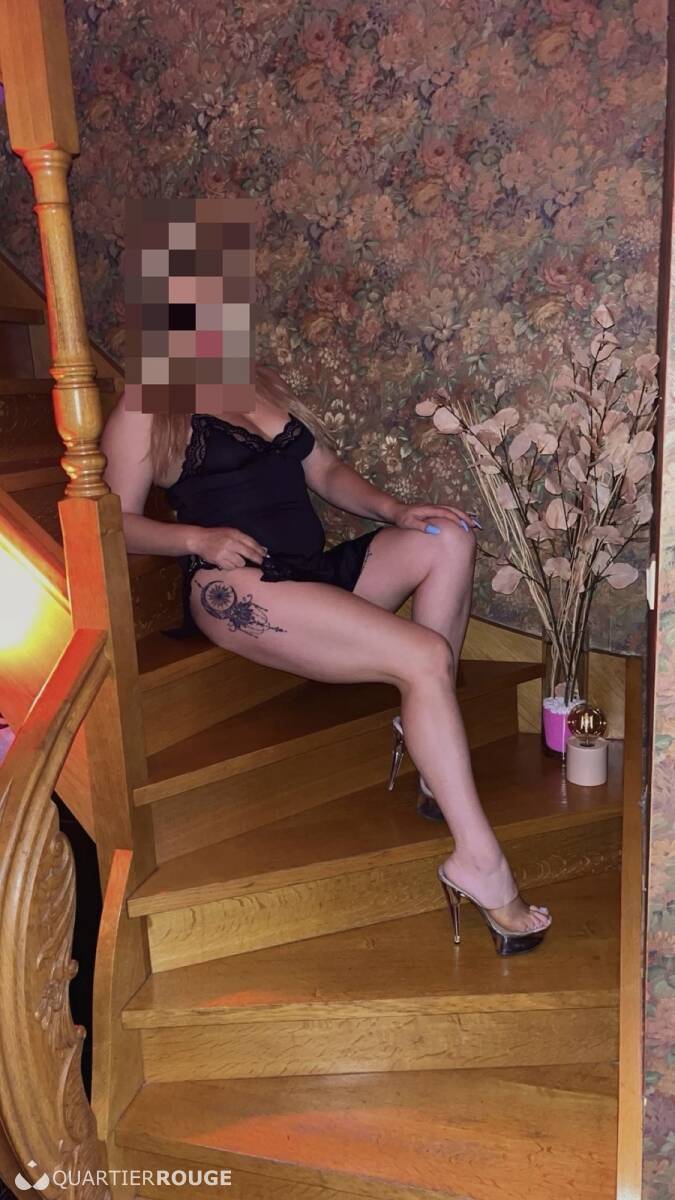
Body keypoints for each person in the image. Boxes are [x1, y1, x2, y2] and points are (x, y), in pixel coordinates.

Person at [102, 361, 552, 954]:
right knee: (424, 655)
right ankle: (479, 862)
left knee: (449, 537)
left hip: (311, 571)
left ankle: (428, 741)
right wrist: (196, 538)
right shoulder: (147, 401)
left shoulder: (250, 384)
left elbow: (327, 471)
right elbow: (112, 522)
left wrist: (396, 511)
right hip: (236, 585)